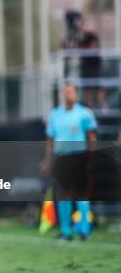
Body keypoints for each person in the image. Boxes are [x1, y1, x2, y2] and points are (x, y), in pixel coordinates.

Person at [42, 83, 98, 241]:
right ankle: (66, 232)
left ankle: (85, 230)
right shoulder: (55, 114)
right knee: (62, 195)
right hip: (61, 158)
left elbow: (92, 137)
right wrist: (48, 160)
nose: (68, 95)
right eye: (66, 92)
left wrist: (91, 158)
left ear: (76, 94)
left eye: (71, 92)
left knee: (81, 195)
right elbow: (50, 139)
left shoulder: (84, 113)